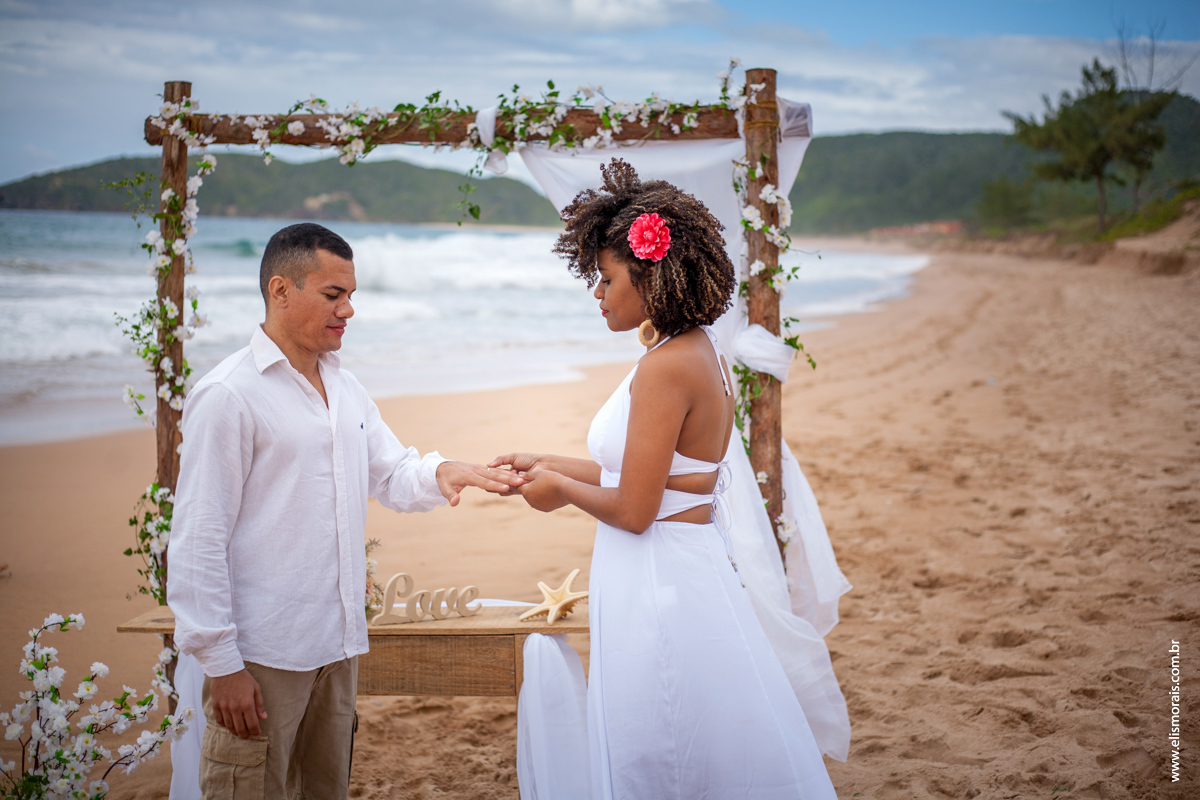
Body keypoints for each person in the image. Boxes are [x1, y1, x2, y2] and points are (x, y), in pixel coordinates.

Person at [492, 160, 838, 799]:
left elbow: (633, 509)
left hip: (658, 575)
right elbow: (652, 476)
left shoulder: (665, 369)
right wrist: (549, 463)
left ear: (651, 274)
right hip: (679, 563)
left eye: (607, 278)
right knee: (691, 728)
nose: (598, 293)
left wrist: (560, 493)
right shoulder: (692, 348)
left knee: (663, 733)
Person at [167, 222, 522, 799]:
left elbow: (390, 472)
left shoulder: (346, 386)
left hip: (338, 645)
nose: (349, 310)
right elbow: (198, 537)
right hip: (262, 656)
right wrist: (222, 664)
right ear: (281, 291)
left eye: (351, 296)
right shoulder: (228, 396)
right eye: (334, 295)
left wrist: (443, 471)